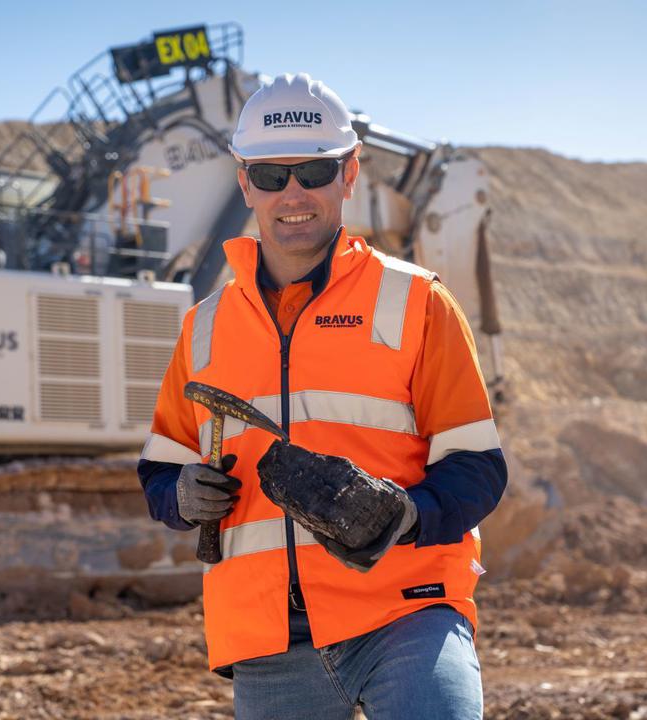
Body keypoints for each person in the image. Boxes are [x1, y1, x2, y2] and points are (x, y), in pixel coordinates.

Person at [137, 73, 507, 719]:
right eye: (273, 176)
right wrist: (181, 496)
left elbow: (478, 467)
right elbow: (159, 470)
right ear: (245, 180)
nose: (295, 193)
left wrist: (407, 515)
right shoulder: (205, 327)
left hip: (406, 611)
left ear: (349, 172)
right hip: (267, 636)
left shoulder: (417, 302)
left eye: (313, 170)